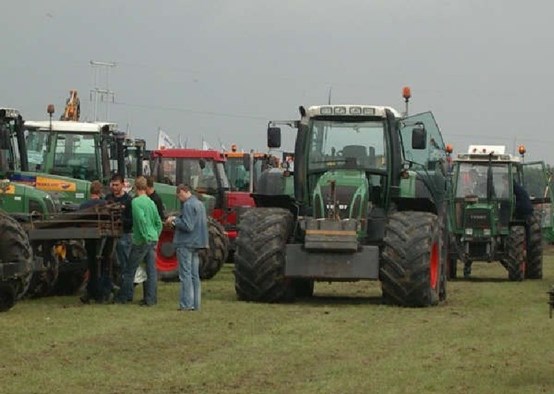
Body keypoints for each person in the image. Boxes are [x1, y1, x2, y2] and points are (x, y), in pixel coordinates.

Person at [115, 176, 162, 306]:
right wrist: (155, 235)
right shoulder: (151, 202)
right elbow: (158, 222)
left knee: (130, 270)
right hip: (152, 238)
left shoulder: (136, 202)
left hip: (142, 240)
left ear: (135, 187)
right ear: (146, 187)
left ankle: (123, 297)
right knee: (151, 270)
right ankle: (150, 299)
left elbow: (140, 220)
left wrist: (144, 236)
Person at [166, 184, 209, 311]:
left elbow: (188, 226)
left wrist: (174, 220)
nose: (179, 198)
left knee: (185, 275)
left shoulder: (188, 205)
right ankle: (196, 304)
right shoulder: (200, 204)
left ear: (184, 192)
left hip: (185, 243)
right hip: (197, 242)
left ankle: (186, 304)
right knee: (194, 275)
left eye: (179, 195)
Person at [79, 181, 113, 303]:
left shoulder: (83, 206)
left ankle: (91, 291)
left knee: (92, 263)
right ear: (100, 192)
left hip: (89, 237)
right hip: (104, 237)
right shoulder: (105, 204)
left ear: (90, 191)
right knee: (104, 264)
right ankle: (101, 293)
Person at [105, 174, 133, 288]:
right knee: (109, 262)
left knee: (124, 262)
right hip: (109, 235)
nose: (114, 187)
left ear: (122, 184)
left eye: (117, 185)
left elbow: (131, 220)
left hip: (124, 235)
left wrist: (121, 221)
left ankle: (125, 288)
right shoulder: (107, 198)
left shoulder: (128, 200)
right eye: (113, 185)